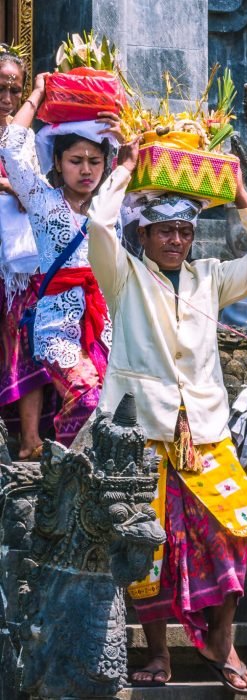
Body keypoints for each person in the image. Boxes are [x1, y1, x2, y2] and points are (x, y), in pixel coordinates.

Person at [87, 137, 247, 693]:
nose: (177, 241)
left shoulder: (211, 278)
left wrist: (244, 195)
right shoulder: (125, 276)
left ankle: (223, 642)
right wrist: (124, 169)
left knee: (235, 530)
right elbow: (99, 231)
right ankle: (158, 654)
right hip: (141, 436)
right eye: (165, 232)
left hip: (205, 432)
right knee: (147, 548)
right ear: (144, 236)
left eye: (184, 232)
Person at [0, 71, 121, 446]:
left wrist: (124, 130)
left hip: (104, 331)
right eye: (75, 160)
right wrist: (36, 94)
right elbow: (11, 148)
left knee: (116, 411)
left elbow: (137, 167)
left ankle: (72, 474)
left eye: (95, 162)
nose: (86, 170)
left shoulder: (108, 208)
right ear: (57, 160)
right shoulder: (43, 202)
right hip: (56, 330)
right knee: (87, 398)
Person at [0, 45, 52, 459]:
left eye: (15, 91)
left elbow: (34, 182)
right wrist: (9, 186)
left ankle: (30, 438)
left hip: (19, 260)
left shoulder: (24, 137)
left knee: (27, 336)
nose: (6, 98)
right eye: (0, 88)